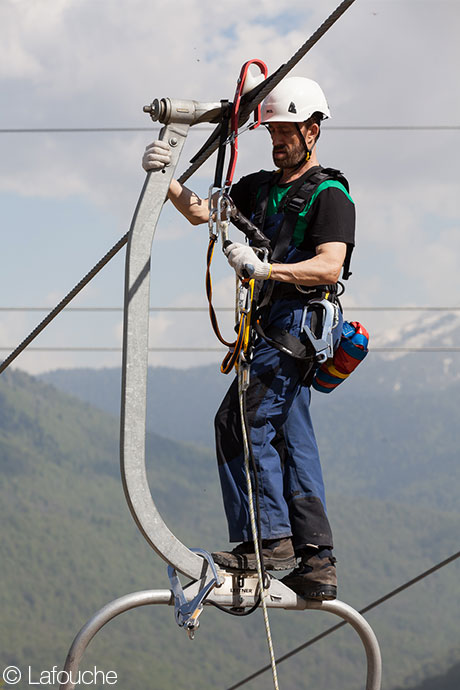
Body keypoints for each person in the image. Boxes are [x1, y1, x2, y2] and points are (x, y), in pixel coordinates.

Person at [142, 77, 355, 600]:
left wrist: (266, 271)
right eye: (273, 132)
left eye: (287, 132)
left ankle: (267, 541)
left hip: (294, 329)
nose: (278, 140)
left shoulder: (329, 195)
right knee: (289, 434)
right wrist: (163, 176)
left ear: (312, 130)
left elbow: (330, 266)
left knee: (241, 419)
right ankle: (316, 560)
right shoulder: (259, 189)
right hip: (269, 329)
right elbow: (199, 212)